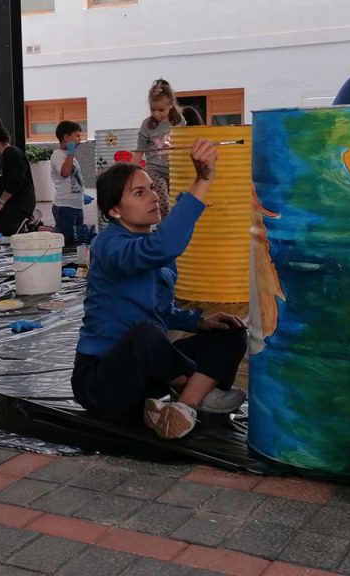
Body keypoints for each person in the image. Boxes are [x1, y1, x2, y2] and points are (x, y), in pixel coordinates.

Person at [72, 139, 248, 440]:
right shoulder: (109, 245)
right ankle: (197, 391)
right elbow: (163, 245)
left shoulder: (158, 254)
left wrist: (197, 322)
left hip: (150, 375)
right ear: (114, 210)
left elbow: (161, 311)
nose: (154, 197)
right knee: (145, 334)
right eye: (139, 193)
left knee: (231, 330)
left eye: (152, 187)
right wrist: (202, 179)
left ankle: (182, 408)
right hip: (103, 380)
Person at [132, 80, 186, 218]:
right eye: (153, 109)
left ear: (171, 105)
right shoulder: (147, 125)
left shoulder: (178, 121)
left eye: (161, 110)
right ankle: (165, 230)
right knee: (163, 203)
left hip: (175, 170)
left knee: (178, 202)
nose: (156, 114)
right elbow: (139, 150)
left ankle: (175, 228)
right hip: (155, 170)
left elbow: (184, 142)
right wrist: (131, 171)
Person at [0, 120, 36, 236]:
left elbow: (15, 181)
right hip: (9, 204)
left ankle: (32, 226)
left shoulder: (13, 154)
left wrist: (1, 203)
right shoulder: (5, 158)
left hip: (18, 204)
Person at [50, 120, 84, 245]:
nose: (80, 139)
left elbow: (75, 178)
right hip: (65, 206)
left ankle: (75, 263)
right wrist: (71, 153)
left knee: (78, 240)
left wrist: (81, 193)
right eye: (77, 136)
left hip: (76, 205)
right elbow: (64, 173)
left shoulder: (70, 157)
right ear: (66, 137)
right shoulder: (57, 155)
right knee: (65, 242)